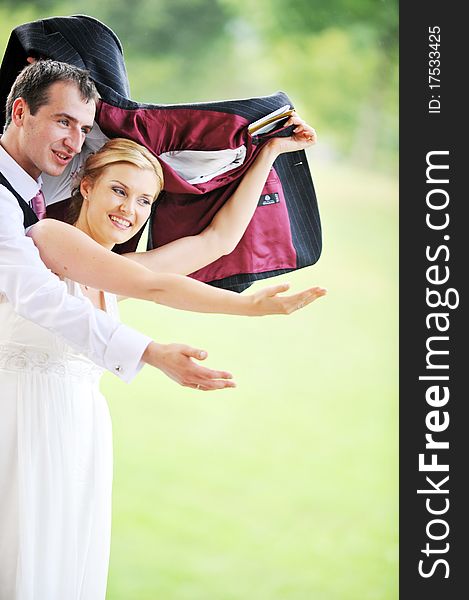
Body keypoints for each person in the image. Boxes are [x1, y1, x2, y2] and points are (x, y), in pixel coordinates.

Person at [0, 60, 324, 600]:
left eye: (145, 200)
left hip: (80, 431)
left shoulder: (109, 268)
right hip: (27, 423)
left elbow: (213, 243)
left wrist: (267, 153)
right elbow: (155, 288)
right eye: (120, 191)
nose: (131, 211)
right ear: (85, 184)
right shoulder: (51, 239)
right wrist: (246, 311)